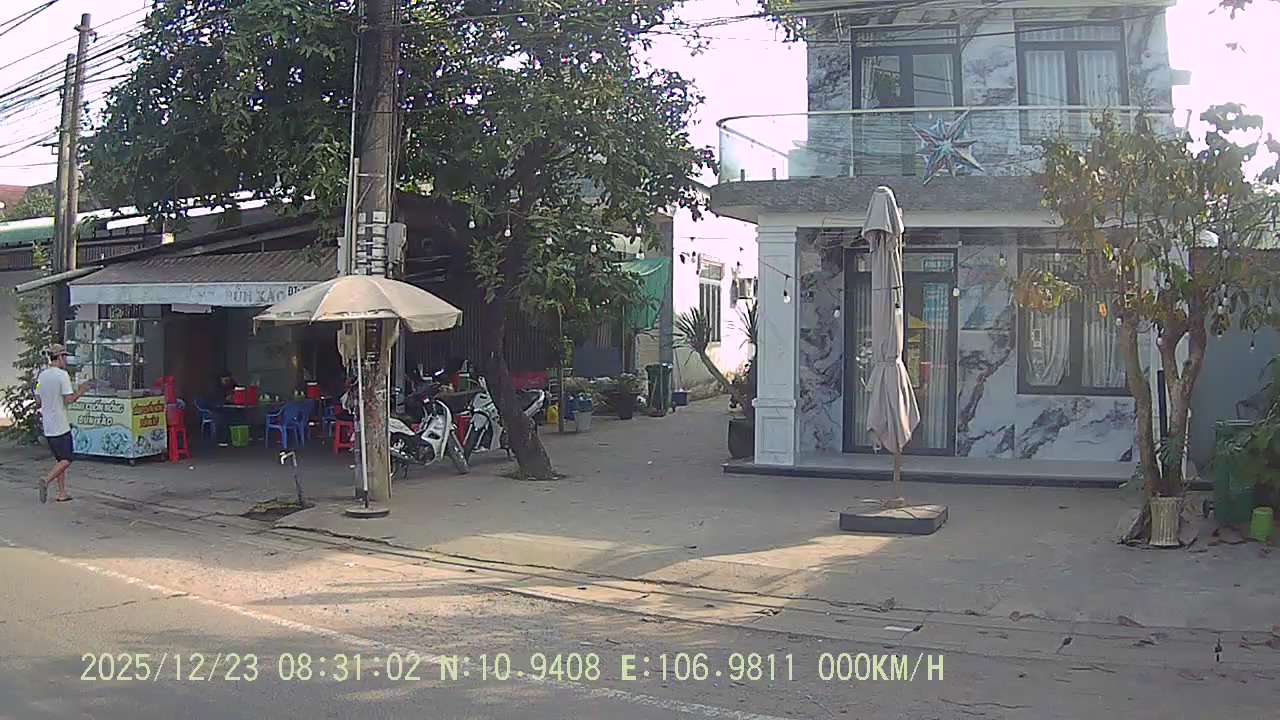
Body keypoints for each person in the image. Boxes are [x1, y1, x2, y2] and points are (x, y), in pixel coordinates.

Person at [34, 344, 91, 503]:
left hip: (47, 424)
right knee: (67, 458)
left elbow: (37, 399)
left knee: (60, 460)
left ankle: (62, 492)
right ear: (59, 357)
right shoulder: (62, 375)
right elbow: (69, 399)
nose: (65, 360)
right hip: (60, 423)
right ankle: (46, 480)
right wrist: (81, 391)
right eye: (64, 357)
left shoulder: (42, 376)